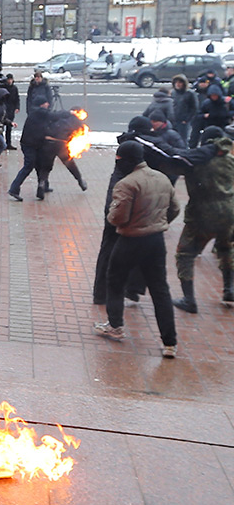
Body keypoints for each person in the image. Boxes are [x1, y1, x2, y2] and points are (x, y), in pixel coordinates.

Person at [95, 141, 180, 359]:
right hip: (156, 241)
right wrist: (159, 222)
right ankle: (169, 343)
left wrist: (115, 219)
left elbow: (118, 217)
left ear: (125, 160)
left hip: (130, 240)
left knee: (114, 280)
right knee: (160, 290)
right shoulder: (162, 178)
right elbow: (175, 208)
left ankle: (115, 325)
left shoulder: (127, 183)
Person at [171, 127, 234, 313]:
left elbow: (172, 164)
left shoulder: (195, 162)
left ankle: (189, 299)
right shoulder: (231, 160)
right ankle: (229, 290)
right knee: (226, 249)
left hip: (201, 215)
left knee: (185, 254)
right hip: (229, 213)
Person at [8, 96, 52, 201]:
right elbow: (55, 116)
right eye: (46, 103)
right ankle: (14, 189)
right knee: (29, 165)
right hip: (29, 145)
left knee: (40, 165)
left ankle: (42, 188)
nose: (48, 105)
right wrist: (70, 114)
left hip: (36, 144)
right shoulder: (39, 113)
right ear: (42, 105)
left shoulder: (37, 113)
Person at [171, 75, 198, 143]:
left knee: (183, 140)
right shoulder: (173, 92)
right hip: (173, 120)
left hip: (183, 120)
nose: (178, 84)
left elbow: (194, 108)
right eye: (176, 82)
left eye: (180, 82)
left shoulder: (190, 93)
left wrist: (186, 119)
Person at [2, 74, 20, 150]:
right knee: (1, 127)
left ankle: (8, 143)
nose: (9, 81)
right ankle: (2, 144)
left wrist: (17, 107)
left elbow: (17, 98)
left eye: (11, 79)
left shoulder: (14, 88)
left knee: (9, 128)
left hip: (11, 109)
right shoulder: (3, 87)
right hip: (3, 109)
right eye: (8, 79)